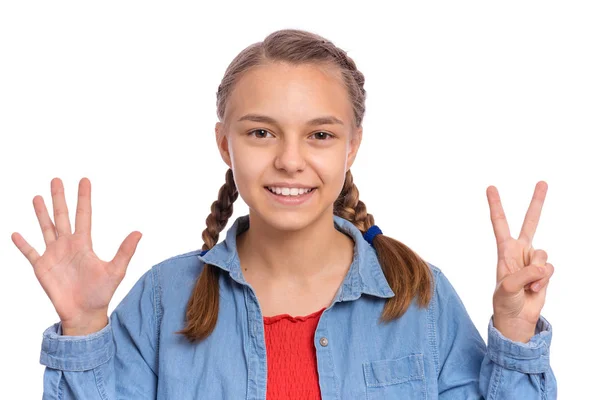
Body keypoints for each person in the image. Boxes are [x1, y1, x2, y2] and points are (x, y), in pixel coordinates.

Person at [12, 29, 556, 399]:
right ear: (225, 144)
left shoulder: (419, 297)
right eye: (260, 132)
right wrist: (83, 330)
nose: (290, 160)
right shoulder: (163, 299)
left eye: (320, 135)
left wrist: (513, 332)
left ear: (353, 146)